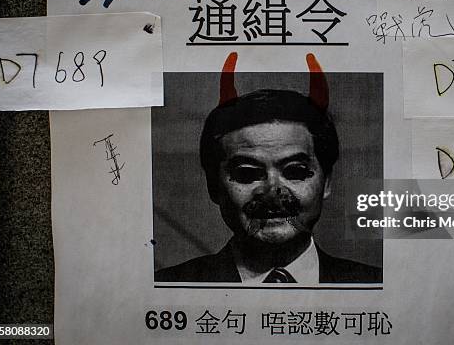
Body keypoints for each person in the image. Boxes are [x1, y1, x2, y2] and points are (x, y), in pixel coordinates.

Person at [155, 52, 382, 284]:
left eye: (295, 172)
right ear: (213, 185)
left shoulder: (376, 283)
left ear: (327, 182)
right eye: (246, 173)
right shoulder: (166, 284)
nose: (273, 192)